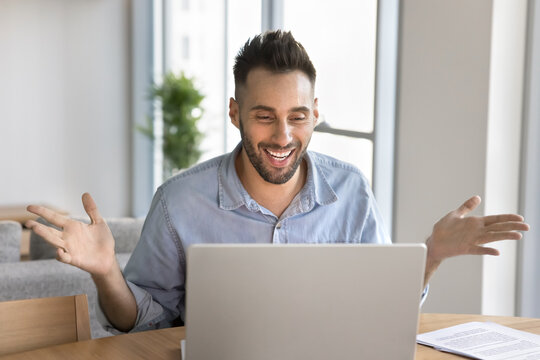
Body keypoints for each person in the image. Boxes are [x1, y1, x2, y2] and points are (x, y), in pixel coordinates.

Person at [25, 30, 529, 334]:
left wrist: (431, 256)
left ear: (316, 114)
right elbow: (141, 320)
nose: (283, 136)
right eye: (264, 116)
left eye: (299, 116)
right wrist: (106, 271)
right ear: (234, 113)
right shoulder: (179, 202)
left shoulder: (351, 190)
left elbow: (378, 312)